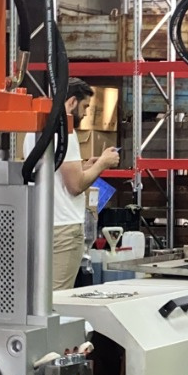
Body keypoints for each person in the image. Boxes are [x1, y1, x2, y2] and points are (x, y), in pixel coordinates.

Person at [24, 79, 121, 290]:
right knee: (58, 296)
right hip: (64, 230)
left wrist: (84, 167)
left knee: (38, 293)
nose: (85, 113)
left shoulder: (35, 129)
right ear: (71, 102)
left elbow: (53, 173)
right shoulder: (65, 131)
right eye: (84, 106)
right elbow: (75, 186)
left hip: (41, 225)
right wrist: (103, 163)